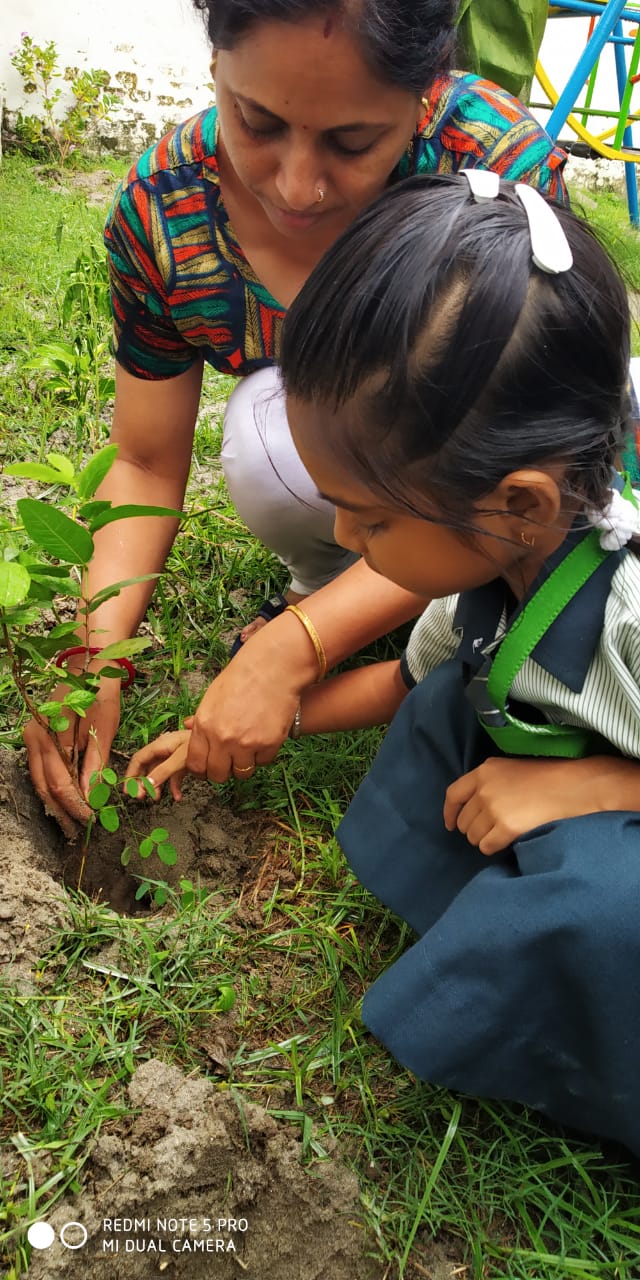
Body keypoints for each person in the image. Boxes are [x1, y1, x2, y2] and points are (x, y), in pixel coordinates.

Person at [130, 172, 640, 1152]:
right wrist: (245, 726)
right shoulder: (491, 562)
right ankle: (478, 910)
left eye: (371, 518)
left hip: (612, 789)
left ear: (519, 502)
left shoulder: (626, 618)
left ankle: (570, 1030)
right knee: (441, 704)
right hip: (569, 758)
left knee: (604, 907)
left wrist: (594, 782)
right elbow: (407, 679)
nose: (341, 537)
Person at [24, 0, 569, 828]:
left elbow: (547, 442)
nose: (296, 186)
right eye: (258, 122)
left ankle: (406, 595)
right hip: (360, 475)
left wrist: (298, 644)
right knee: (262, 422)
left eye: (352, 143)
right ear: (217, 71)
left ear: (425, 100)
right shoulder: (166, 211)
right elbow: (144, 459)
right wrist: (91, 657)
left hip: (479, 489)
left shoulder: (488, 175)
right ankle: (351, 586)